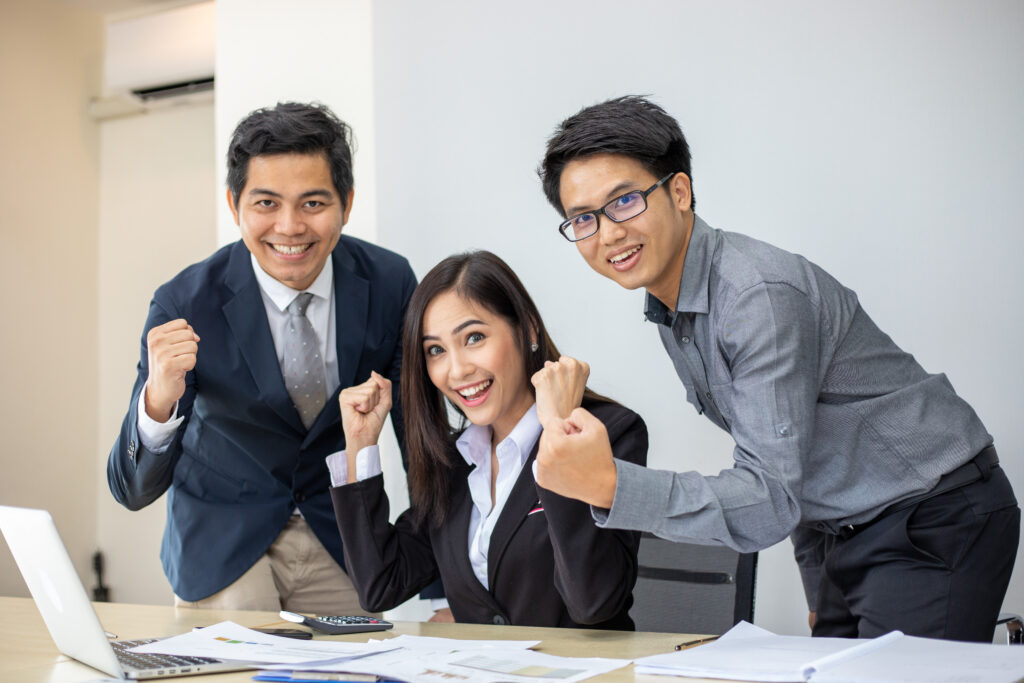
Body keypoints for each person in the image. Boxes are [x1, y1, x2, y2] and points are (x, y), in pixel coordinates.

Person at [534, 95, 1019, 641]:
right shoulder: (675, 306)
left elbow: (768, 494)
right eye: (583, 219)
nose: (607, 233)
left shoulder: (754, 296)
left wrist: (611, 484)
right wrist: (818, 585)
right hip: (849, 527)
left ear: (679, 191)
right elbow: (792, 455)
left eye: (623, 201)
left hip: (933, 515)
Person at [107, 102, 426, 613]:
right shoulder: (184, 302)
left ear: (346, 201)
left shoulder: (390, 283)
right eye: (266, 203)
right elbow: (132, 489)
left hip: (343, 537)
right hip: (224, 544)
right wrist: (160, 398)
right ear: (235, 206)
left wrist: (444, 583)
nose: (290, 227)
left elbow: (421, 439)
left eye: (313, 203)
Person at [327, 250, 648, 628]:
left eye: (474, 337)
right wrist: (360, 446)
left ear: (527, 330)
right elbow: (381, 586)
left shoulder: (608, 433)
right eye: (436, 350)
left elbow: (593, 603)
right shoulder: (455, 461)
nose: (457, 369)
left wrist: (559, 431)